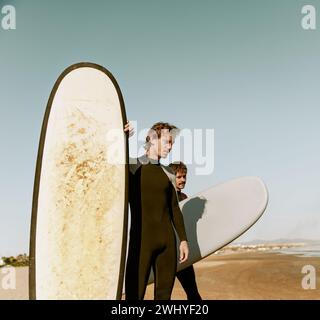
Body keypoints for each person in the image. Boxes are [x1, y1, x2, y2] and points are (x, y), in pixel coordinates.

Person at [123, 121, 189, 300]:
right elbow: (111, 164)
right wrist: (124, 138)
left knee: (163, 299)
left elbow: (174, 208)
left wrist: (183, 239)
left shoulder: (168, 172)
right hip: (141, 242)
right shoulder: (133, 167)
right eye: (167, 141)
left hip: (167, 244)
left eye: (172, 143)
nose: (170, 147)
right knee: (133, 297)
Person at [169, 161, 202, 301]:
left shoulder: (184, 198)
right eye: (179, 177)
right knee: (164, 295)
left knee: (193, 293)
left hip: (183, 253)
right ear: (171, 177)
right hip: (168, 253)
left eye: (185, 176)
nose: (183, 180)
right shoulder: (163, 198)